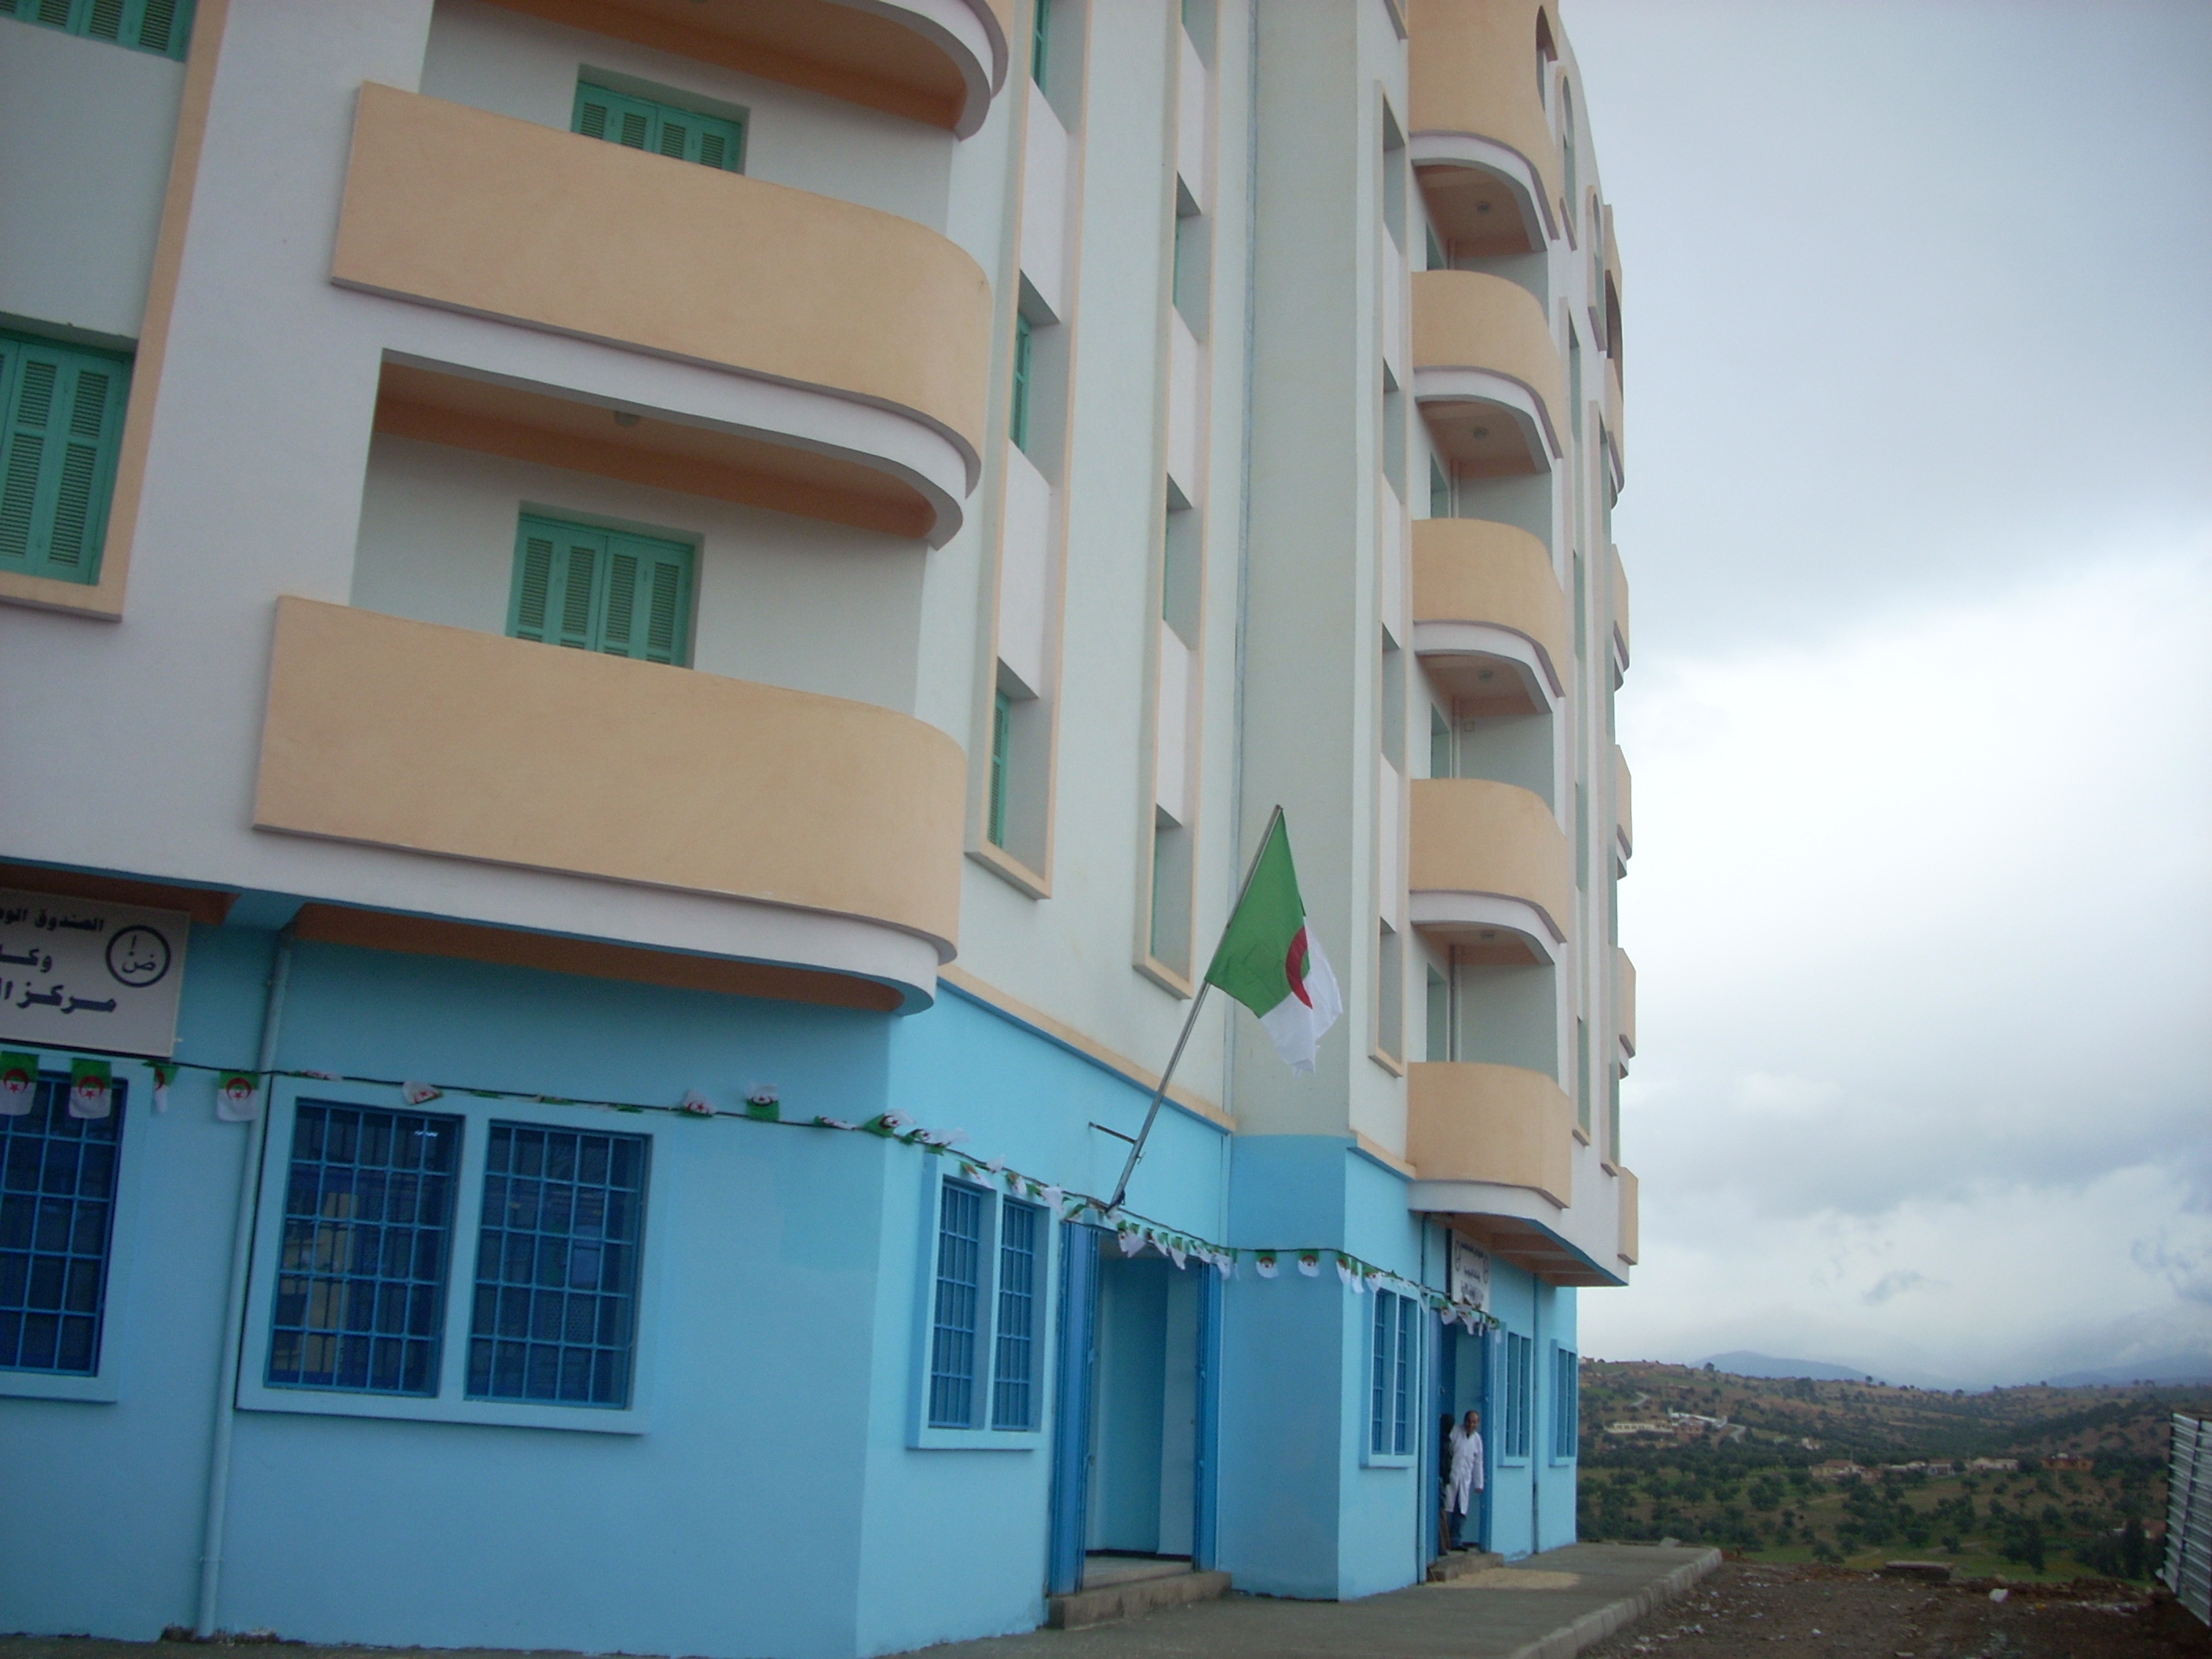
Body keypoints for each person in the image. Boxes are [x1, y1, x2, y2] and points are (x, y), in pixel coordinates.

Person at [1445, 1408, 1485, 1549]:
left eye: (1474, 1422)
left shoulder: (1477, 1440)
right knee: (1448, 1510)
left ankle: (1456, 1541)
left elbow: (1478, 1462)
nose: (1471, 1425)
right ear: (1464, 1421)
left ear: (1478, 1423)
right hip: (1451, 1477)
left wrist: (1479, 1483)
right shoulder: (1455, 1432)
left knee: (1461, 1511)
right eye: (1469, 1421)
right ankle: (1445, 1541)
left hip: (1465, 1479)